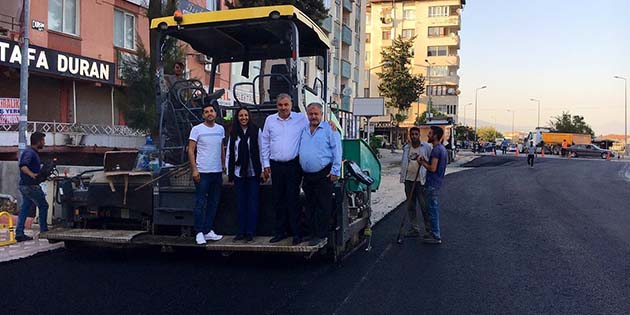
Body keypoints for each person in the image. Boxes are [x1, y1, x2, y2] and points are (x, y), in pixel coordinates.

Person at [260, 94, 308, 245]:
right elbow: (264, 143)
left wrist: (330, 126)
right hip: (276, 166)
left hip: (293, 166)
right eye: (280, 105)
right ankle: (280, 232)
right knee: (278, 200)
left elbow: (315, 125)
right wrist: (265, 164)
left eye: (286, 105)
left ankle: (296, 233)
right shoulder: (270, 120)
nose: (283, 108)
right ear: (277, 106)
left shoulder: (301, 119)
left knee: (293, 199)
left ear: (291, 104)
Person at [299, 103, 342, 246]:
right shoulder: (304, 129)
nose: (313, 117)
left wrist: (336, 171)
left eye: (316, 114)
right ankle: (311, 233)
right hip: (307, 175)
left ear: (321, 115)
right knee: (310, 205)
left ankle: (321, 234)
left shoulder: (329, 129)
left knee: (323, 205)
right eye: (311, 114)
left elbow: (337, 151)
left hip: (324, 174)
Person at [188, 103, 225, 245]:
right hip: (202, 172)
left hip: (216, 172)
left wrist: (223, 164)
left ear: (215, 113)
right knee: (200, 203)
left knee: (213, 202)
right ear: (203, 115)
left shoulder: (220, 129)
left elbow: (221, 147)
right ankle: (198, 232)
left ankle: (208, 230)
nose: (209, 113)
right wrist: (194, 169)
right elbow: (191, 150)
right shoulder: (196, 129)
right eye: (206, 112)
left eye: (211, 111)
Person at [226, 107, 264, 243]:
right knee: (240, 203)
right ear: (237, 117)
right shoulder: (233, 133)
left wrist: (264, 169)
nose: (243, 118)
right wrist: (229, 171)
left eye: (246, 115)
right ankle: (240, 231)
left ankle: (250, 232)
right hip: (238, 172)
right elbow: (230, 152)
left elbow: (261, 150)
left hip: (253, 172)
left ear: (249, 116)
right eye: (241, 115)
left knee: (252, 203)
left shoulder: (256, 131)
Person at [15, 132, 49, 242]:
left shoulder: (32, 152)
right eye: (43, 140)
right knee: (43, 206)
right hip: (30, 186)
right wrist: (32, 175)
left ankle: (19, 233)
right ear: (38, 141)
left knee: (25, 207)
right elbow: (23, 166)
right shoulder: (30, 153)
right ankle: (44, 231)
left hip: (25, 185)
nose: (44, 143)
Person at [399, 127, 432, 238]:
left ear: (419, 135)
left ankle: (429, 229)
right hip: (408, 180)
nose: (414, 136)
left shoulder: (426, 147)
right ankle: (414, 228)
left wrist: (423, 161)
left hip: (421, 181)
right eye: (412, 134)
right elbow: (404, 163)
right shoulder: (406, 148)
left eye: (416, 134)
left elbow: (431, 162)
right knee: (411, 206)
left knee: (424, 206)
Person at [418, 126, 448, 245]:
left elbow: (432, 168)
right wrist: (425, 160)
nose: (428, 135)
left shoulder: (436, 150)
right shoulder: (442, 149)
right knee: (431, 209)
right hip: (437, 182)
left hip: (432, 184)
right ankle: (433, 233)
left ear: (435, 135)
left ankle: (436, 235)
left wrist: (422, 163)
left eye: (430, 133)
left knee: (432, 210)